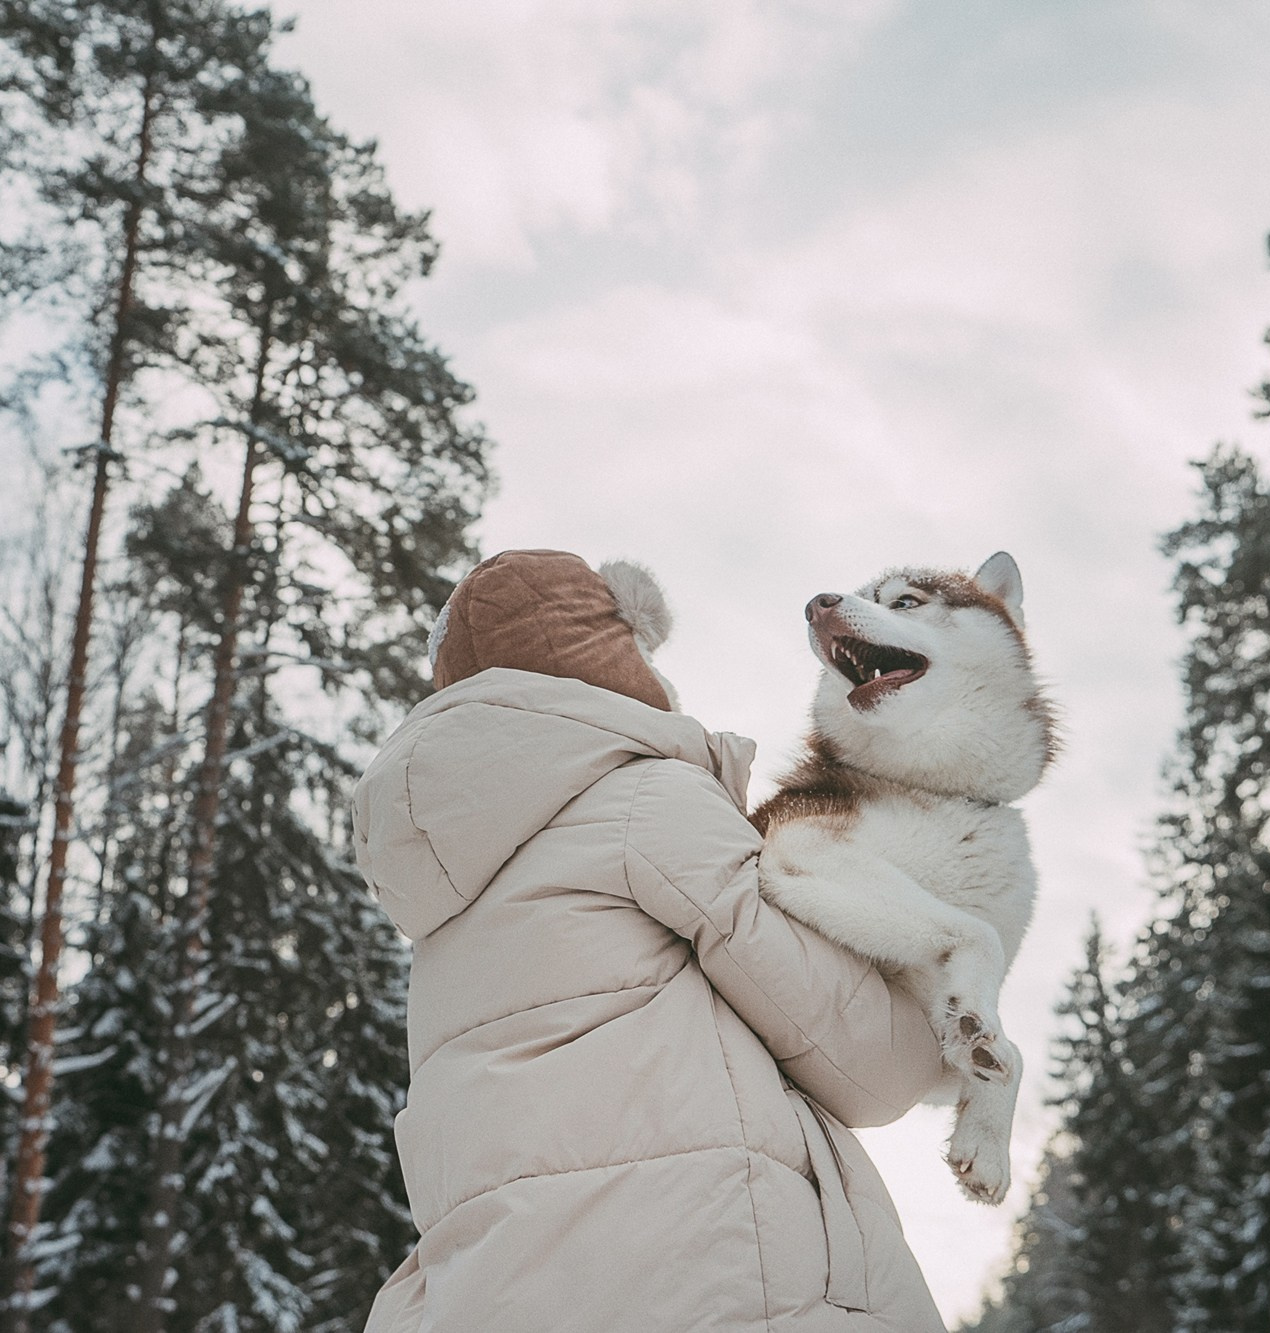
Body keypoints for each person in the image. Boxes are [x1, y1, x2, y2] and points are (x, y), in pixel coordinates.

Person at [354, 549, 950, 1333]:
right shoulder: (646, 799)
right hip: (719, 1277)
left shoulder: (447, 901)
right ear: (611, 657)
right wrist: (947, 1012)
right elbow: (868, 1061)